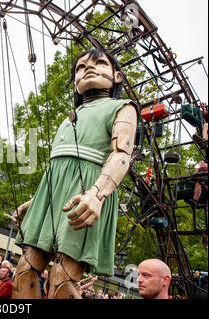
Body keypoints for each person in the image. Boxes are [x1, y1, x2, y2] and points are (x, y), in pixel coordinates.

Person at [12, 48, 137, 299]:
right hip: (51, 197)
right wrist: (35, 202)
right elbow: (58, 170)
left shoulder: (123, 108)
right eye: (81, 67)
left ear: (118, 77)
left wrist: (97, 195)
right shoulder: (69, 118)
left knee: (61, 280)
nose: (88, 68)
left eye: (100, 63)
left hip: (87, 194)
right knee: (24, 271)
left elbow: (121, 154)